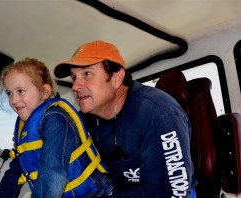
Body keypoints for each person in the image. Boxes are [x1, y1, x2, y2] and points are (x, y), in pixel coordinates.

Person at [54, 40, 197, 197]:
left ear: (117, 78)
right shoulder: (85, 119)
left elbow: (171, 192)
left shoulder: (158, 115)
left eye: (87, 74)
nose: (75, 86)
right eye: (74, 78)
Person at [0, 58, 113, 198]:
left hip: (94, 193)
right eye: (9, 93)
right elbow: (15, 170)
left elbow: (53, 174)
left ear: (44, 92)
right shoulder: (24, 126)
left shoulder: (55, 119)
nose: (13, 100)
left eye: (20, 91)